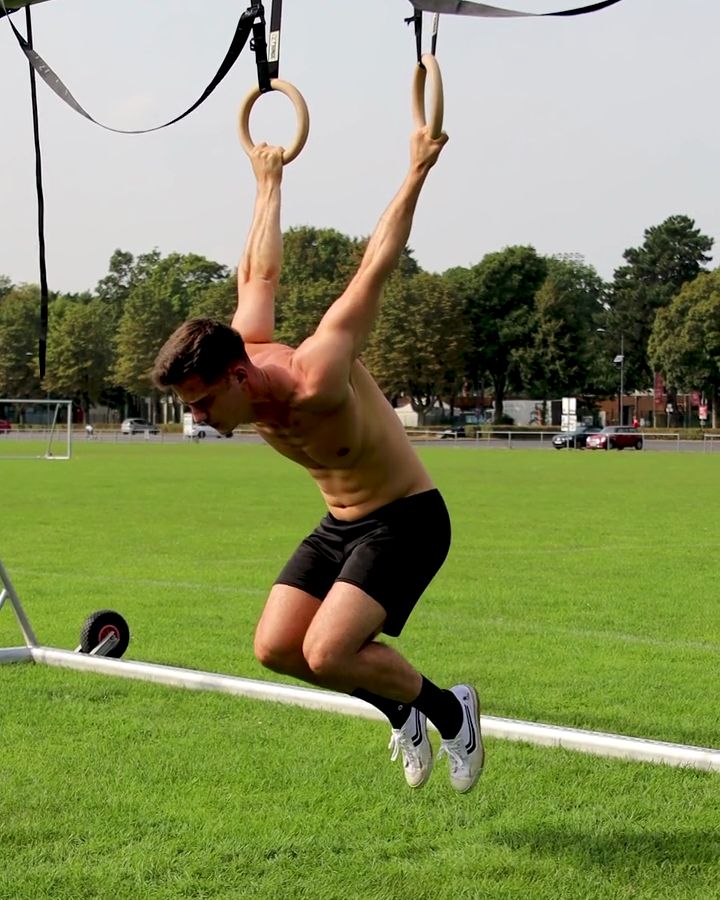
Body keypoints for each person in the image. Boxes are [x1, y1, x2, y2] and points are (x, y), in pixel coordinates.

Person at [152, 126, 484, 793]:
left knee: (327, 650)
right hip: (339, 524)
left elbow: (374, 267)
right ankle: (400, 709)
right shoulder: (244, 344)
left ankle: (453, 713)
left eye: (203, 401)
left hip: (407, 520)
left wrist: (417, 166)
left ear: (240, 377)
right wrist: (269, 179)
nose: (199, 417)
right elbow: (259, 272)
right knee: (276, 649)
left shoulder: (317, 375)